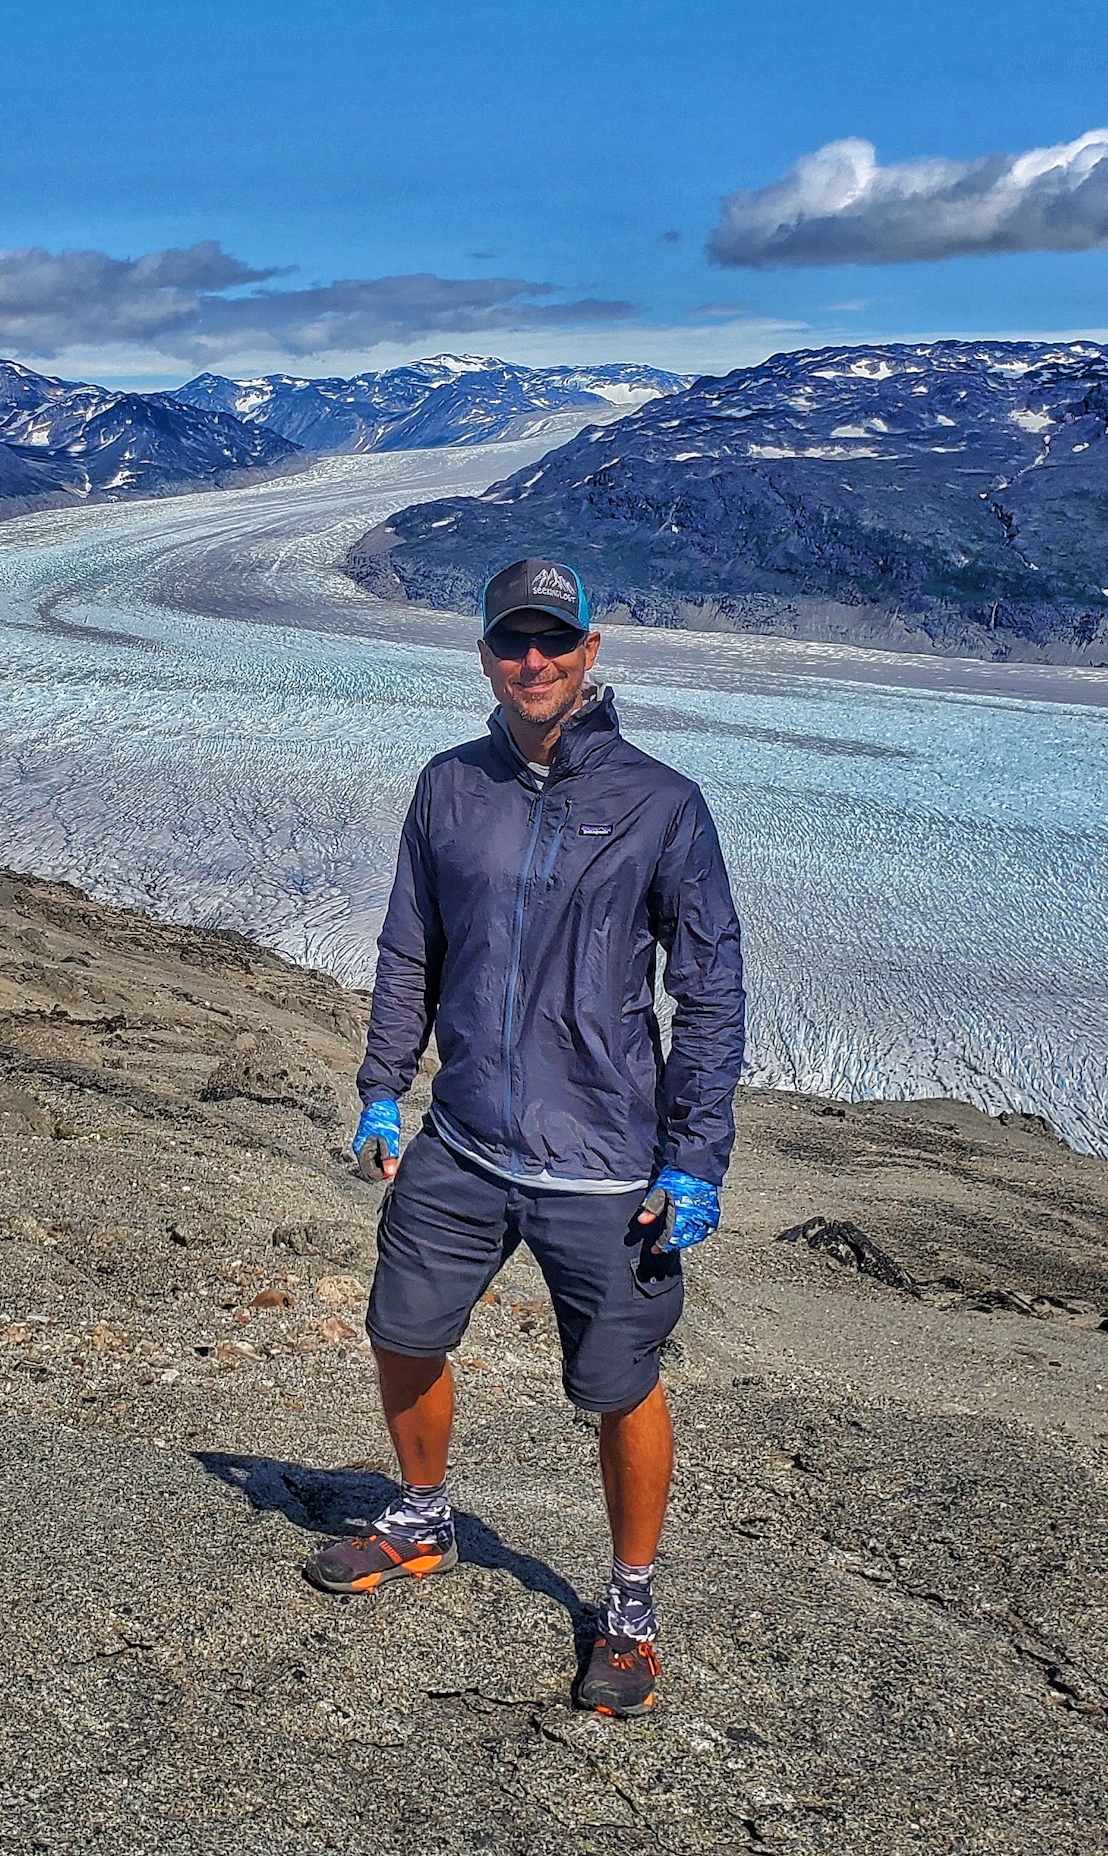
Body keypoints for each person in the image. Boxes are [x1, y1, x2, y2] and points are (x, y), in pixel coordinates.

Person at [301, 556, 745, 1717]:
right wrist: (385, 1084)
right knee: (401, 1326)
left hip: (604, 1157)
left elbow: (709, 989)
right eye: (512, 641)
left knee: (619, 1381)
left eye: (555, 639)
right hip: (466, 1135)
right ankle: (421, 1516)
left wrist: (695, 1153)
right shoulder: (450, 786)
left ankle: (631, 1606)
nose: (533, 660)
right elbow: (411, 947)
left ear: (591, 651)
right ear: (485, 654)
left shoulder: (660, 803)